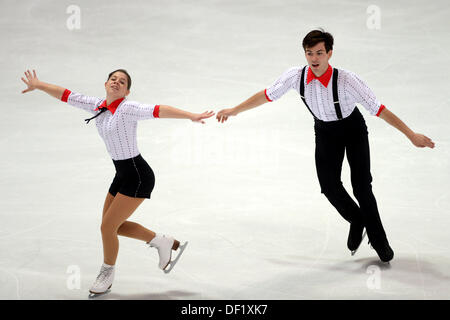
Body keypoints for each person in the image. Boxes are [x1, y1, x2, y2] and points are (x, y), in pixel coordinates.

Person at [216, 29, 435, 263]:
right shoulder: (295, 77)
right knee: (329, 186)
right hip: (324, 131)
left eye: (320, 53)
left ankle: (379, 239)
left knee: (361, 187)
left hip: (352, 130)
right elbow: (267, 95)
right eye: (309, 53)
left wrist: (411, 135)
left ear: (330, 53)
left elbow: (379, 109)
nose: (314, 59)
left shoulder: (347, 81)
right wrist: (235, 110)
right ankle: (357, 219)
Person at [21, 69, 215, 296]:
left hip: (138, 176)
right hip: (121, 174)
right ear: (106, 84)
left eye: (122, 82)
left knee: (107, 228)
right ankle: (162, 241)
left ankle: (107, 273)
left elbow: (158, 110)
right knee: (113, 226)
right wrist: (39, 84)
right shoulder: (97, 106)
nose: (117, 82)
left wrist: (191, 115)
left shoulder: (128, 109)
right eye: (113, 79)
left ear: (127, 91)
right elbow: (67, 95)